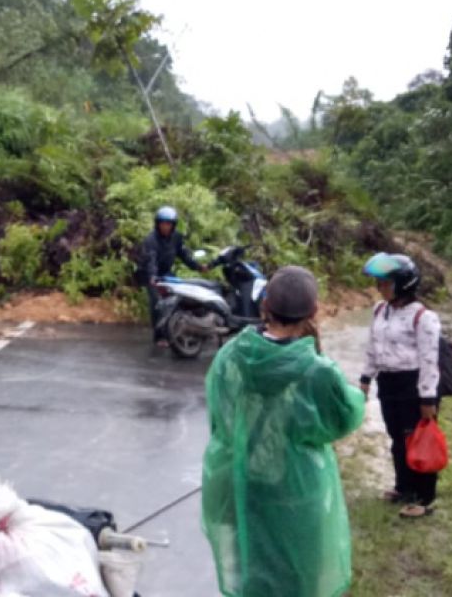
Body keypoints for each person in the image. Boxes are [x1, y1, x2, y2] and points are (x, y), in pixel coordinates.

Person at [202, 266, 365, 597]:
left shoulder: (230, 356)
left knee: (252, 567)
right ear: (313, 312)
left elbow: (221, 421)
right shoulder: (317, 370)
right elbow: (345, 417)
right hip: (296, 488)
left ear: (264, 306)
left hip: (244, 484)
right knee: (298, 575)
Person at [358, 252, 442, 519]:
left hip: (413, 385)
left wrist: (427, 399)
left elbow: (430, 360)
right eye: (378, 283)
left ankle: (424, 499)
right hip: (389, 382)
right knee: (397, 438)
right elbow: (373, 346)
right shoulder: (380, 310)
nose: (379, 288)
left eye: (385, 283)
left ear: (403, 284)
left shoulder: (423, 317)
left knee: (418, 441)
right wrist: (365, 378)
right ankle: (403, 487)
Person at [136, 205, 207, 347]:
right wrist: (153, 277)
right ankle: (159, 336)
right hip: (150, 274)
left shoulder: (176, 238)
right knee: (157, 303)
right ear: (157, 224)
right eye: (163, 223)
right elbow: (151, 260)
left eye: (168, 224)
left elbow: (184, 255)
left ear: (173, 225)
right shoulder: (151, 240)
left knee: (180, 298)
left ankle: (180, 330)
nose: (165, 227)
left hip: (167, 273)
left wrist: (198, 267)